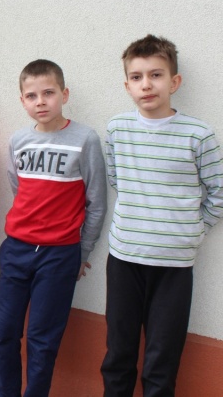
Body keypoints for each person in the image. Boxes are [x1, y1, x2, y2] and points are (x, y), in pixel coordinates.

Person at [101, 35, 223, 397]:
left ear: (174, 81)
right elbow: (116, 179)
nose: (146, 84)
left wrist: (194, 231)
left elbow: (219, 191)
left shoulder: (198, 135)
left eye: (156, 75)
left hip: (174, 265)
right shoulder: (117, 129)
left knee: (161, 360)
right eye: (136, 77)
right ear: (127, 85)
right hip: (124, 259)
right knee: (118, 353)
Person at [0, 59, 107, 397]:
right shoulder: (18, 140)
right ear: (22, 101)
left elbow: (97, 202)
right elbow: (19, 189)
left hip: (59, 256)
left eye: (48, 93)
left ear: (64, 94)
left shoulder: (85, 139)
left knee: (42, 341)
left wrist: (83, 252)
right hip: (16, 250)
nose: (40, 102)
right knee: (4, 335)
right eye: (31, 96)